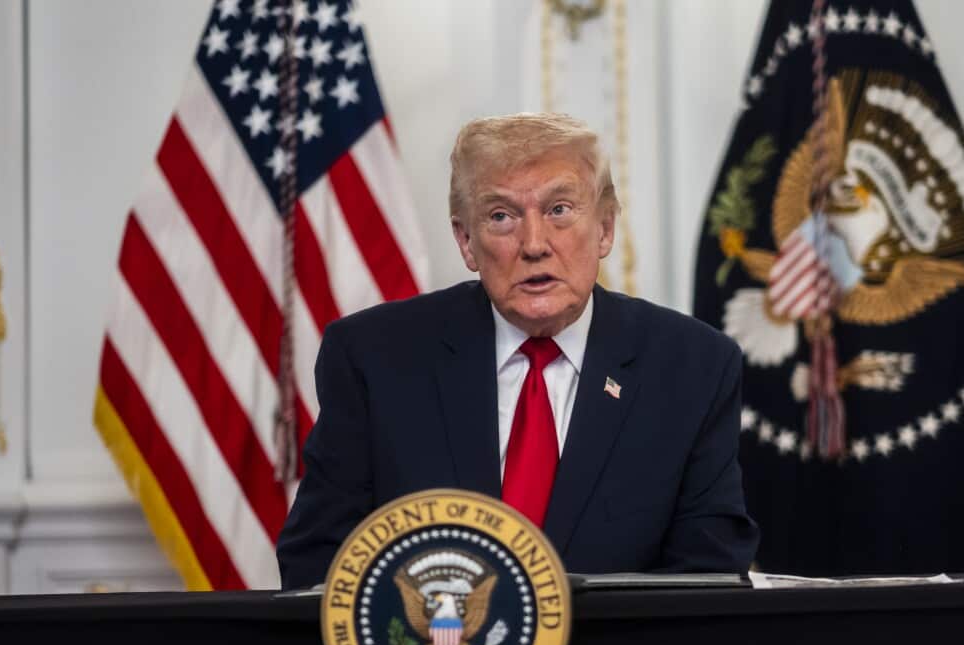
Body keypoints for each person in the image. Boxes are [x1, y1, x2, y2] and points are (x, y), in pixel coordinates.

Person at [277, 113, 758, 588]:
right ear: (466, 241)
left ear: (606, 228)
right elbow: (319, 564)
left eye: (559, 210)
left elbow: (706, 580)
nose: (533, 245)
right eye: (501, 216)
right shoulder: (374, 359)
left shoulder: (692, 368)